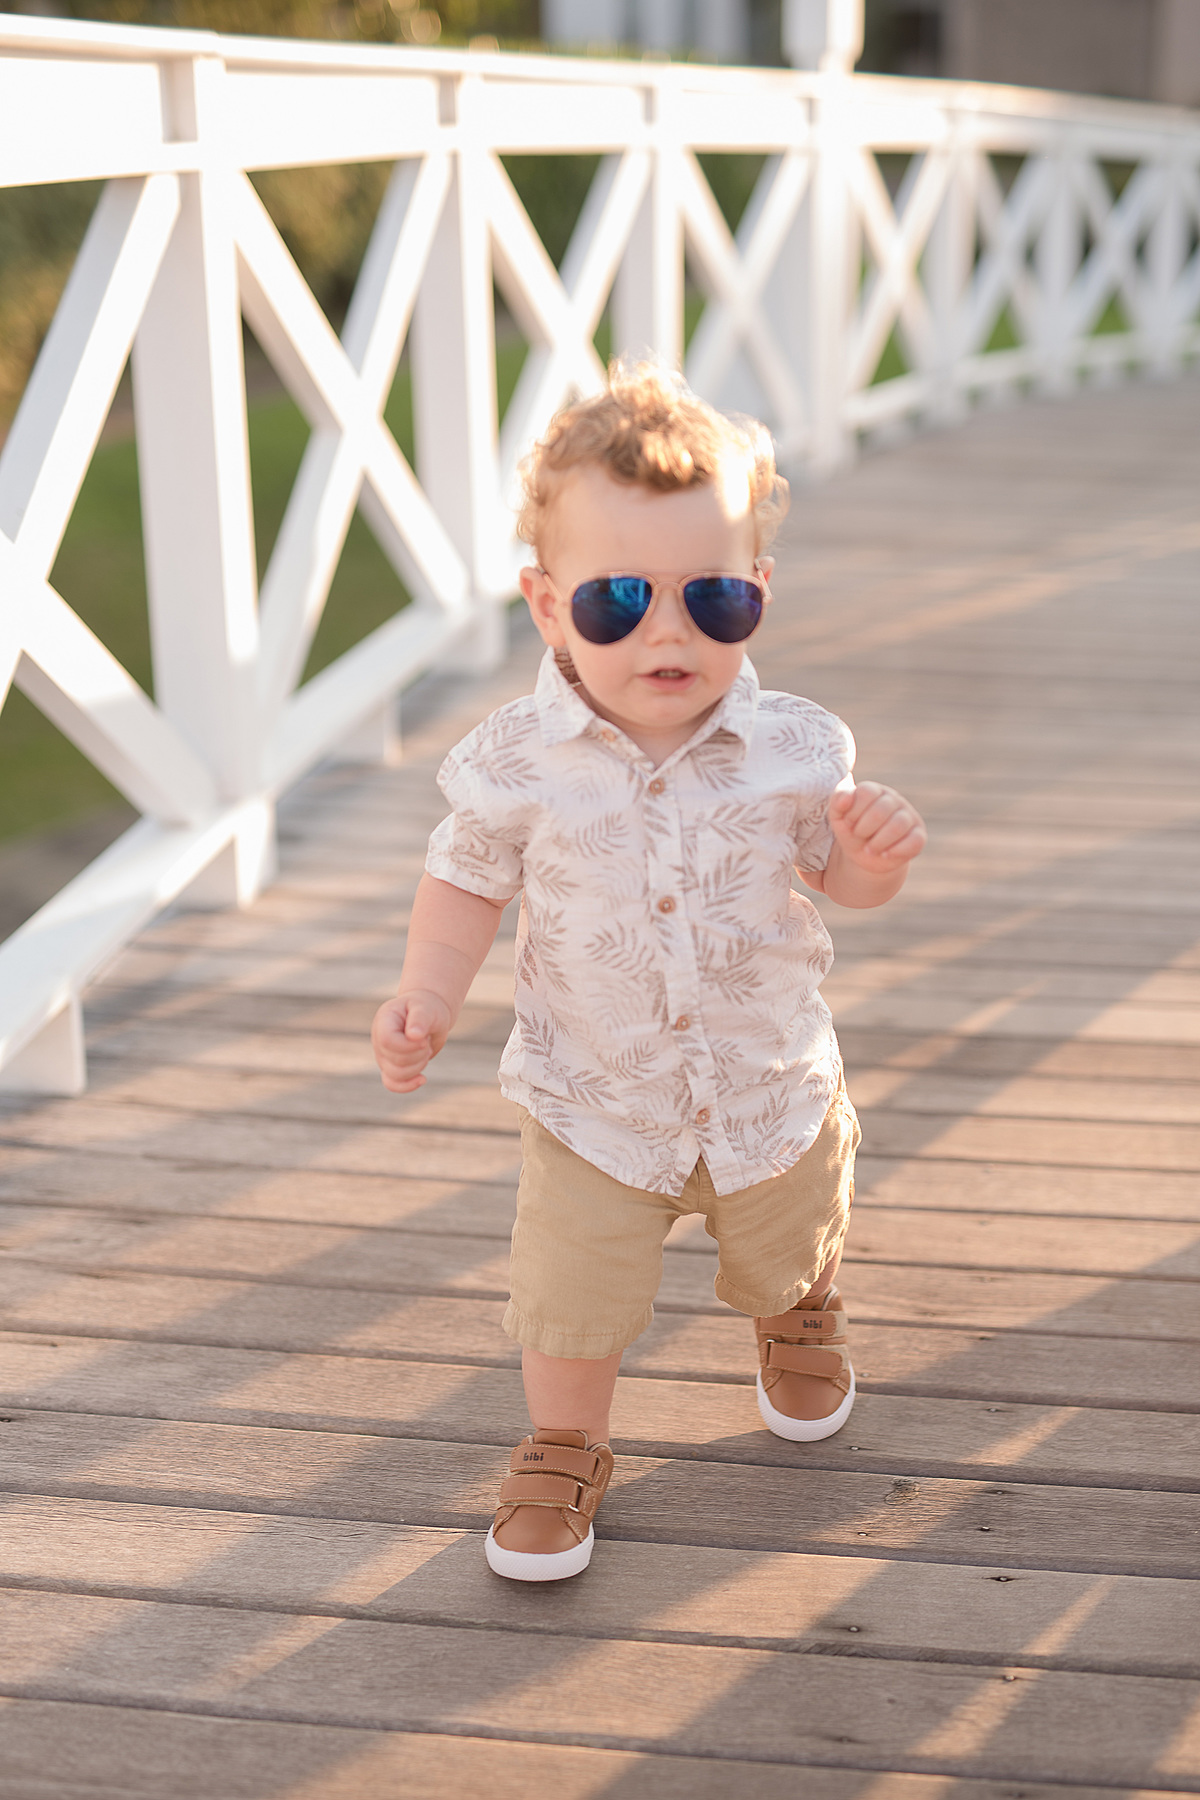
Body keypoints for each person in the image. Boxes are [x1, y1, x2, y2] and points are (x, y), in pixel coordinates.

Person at [372, 361, 926, 1583]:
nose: (667, 632)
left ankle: (798, 1311)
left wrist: (872, 859)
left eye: (713, 598)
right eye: (618, 599)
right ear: (545, 602)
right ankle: (565, 1441)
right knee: (567, 1293)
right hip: (595, 1100)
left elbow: (838, 879)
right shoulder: (514, 762)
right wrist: (427, 991)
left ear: (760, 595)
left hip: (763, 1081)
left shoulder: (795, 747)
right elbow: (465, 880)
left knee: (790, 1224)